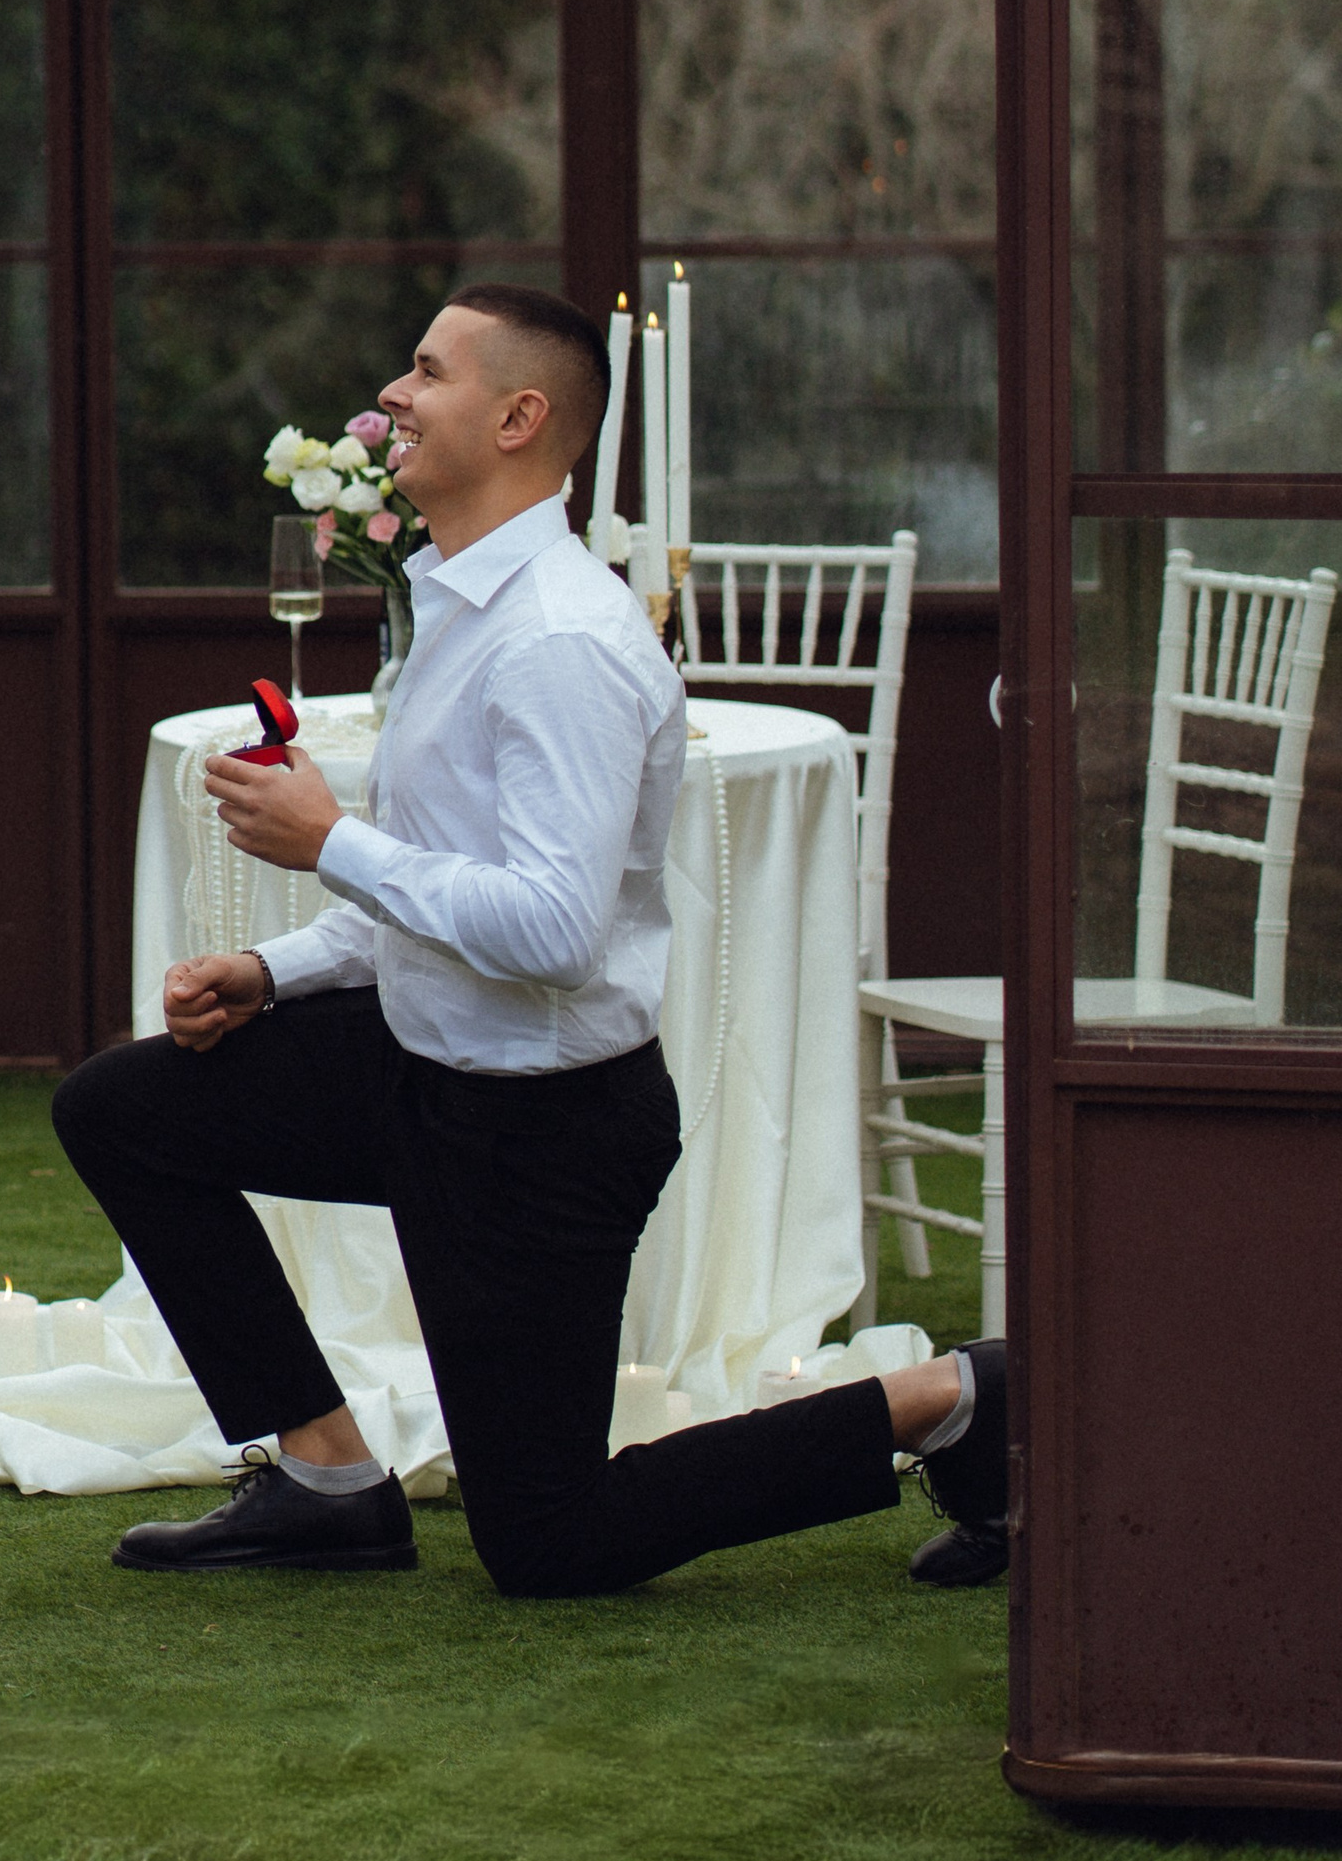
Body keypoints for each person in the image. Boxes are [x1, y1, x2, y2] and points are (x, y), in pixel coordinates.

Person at [53, 285, 1007, 1596]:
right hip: (415, 1070)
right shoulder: (451, 603)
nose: (391, 393)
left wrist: (328, 838)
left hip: (541, 1134)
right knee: (120, 1108)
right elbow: (450, 881)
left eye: (425, 371)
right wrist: (277, 967)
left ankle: (955, 1397)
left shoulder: (559, 640)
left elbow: (553, 931)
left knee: (551, 1542)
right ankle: (328, 1476)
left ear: (518, 417)